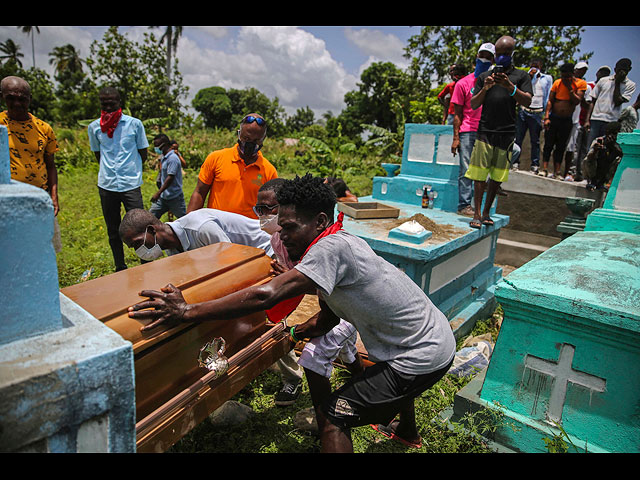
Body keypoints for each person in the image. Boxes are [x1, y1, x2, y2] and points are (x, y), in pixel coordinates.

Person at [127, 174, 457, 453]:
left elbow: (266, 293)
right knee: (383, 369)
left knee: (334, 417)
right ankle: (407, 433)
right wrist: (292, 335)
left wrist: (187, 311)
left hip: (420, 355)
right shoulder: (336, 245)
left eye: (288, 227)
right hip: (429, 340)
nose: (280, 235)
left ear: (320, 222)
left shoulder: (330, 249)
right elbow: (326, 319)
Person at [256, 179, 364, 411]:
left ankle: (327, 417)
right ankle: (359, 380)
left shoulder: (329, 245)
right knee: (344, 346)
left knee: (316, 354)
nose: (265, 215)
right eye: (260, 210)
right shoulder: (279, 239)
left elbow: (325, 287)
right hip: (327, 304)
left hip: (346, 307)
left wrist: (292, 278)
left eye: (270, 209)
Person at [465, 36, 533, 229]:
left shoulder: (521, 76)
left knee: (496, 177)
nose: (502, 57)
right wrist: (486, 88)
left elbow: (527, 101)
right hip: (485, 131)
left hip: (507, 133)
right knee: (479, 175)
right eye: (500, 54)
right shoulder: (484, 76)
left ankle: (487, 212)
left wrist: (510, 87)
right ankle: (477, 214)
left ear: (512, 54)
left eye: (506, 54)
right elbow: (473, 103)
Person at [88, 87, 149, 272]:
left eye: (111, 102)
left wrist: (131, 170)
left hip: (130, 184)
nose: (108, 106)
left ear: (119, 102)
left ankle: (145, 263)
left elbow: (142, 153)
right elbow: (98, 155)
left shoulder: (134, 124)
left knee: (141, 226)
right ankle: (120, 266)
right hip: (107, 185)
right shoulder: (94, 127)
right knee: (113, 229)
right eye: (104, 103)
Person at [1, 76, 61, 252]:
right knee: (10, 248)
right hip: (6, 200)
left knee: (43, 246)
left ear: (29, 99)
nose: (17, 103)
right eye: (11, 97)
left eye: (22, 98)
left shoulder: (43, 128)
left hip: (38, 197)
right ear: (2, 97)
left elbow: (50, 165)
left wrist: (54, 196)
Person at [187, 113, 278, 219]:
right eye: (246, 138)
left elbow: (272, 207)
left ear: (263, 139)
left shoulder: (269, 170)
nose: (250, 144)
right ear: (239, 134)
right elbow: (199, 192)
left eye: (256, 140)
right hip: (216, 228)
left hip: (248, 232)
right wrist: (188, 223)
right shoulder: (216, 158)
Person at [119, 207, 274, 261]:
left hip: (269, 250)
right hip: (248, 258)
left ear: (152, 230)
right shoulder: (171, 249)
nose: (138, 251)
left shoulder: (201, 228)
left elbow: (232, 265)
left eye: (138, 243)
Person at [451, 42, 495, 216]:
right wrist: (455, 137)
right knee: (466, 169)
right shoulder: (463, 83)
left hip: (488, 131)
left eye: (488, 57)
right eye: (482, 55)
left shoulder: (496, 82)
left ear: (493, 60)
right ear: (476, 57)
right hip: (468, 130)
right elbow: (457, 114)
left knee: (511, 152)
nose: (484, 59)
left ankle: (488, 194)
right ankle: (464, 205)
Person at [540, 63, 587, 178]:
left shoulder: (580, 84)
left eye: (567, 76)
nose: (564, 79)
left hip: (566, 120)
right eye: (563, 76)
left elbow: (577, 101)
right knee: (548, 144)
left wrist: (570, 88)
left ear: (572, 74)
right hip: (554, 117)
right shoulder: (557, 82)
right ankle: (544, 168)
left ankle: (557, 172)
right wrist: (546, 117)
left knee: (561, 146)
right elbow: (550, 100)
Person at [584, 58, 636, 150]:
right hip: (596, 119)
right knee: (590, 148)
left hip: (611, 122)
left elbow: (617, 101)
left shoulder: (630, 85)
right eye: (619, 70)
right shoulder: (603, 80)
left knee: (604, 149)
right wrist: (587, 120)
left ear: (629, 70)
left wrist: (617, 83)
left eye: (624, 70)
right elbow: (593, 101)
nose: (621, 72)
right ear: (615, 69)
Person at [514, 58, 553, 173]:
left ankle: (534, 164)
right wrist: (529, 77)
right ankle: (515, 162)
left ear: (541, 66)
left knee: (535, 140)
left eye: (537, 65)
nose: (535, 67)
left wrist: (546, 115)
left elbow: (548, 96)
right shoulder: (524, 76)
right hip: (523, 110)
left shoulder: (547, 78)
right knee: (519, 138)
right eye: (533, 65)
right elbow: (520, 89)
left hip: (537, 112)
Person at [149, 134, 186, 220]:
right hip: (163, 197)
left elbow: (170, 177)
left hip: (175, 197)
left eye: (157, 145)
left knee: (184, 220)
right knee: (150, 217)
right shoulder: (164, 158)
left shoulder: (173, 158)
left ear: (164, 145)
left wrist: (158, 193)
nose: (156, 148)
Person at [582, 121, 623, 191]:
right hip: (595, 170)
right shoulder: (598, 141)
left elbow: (622, 155)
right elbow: (589, 158)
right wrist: (595, 150)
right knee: (587, 160)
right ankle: (591, 181)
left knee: (618, 161)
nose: (611, 136)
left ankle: (604, 183)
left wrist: (613, 146)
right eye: (609, 133)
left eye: (614, 133)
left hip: (606, 172)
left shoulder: (618, 145)